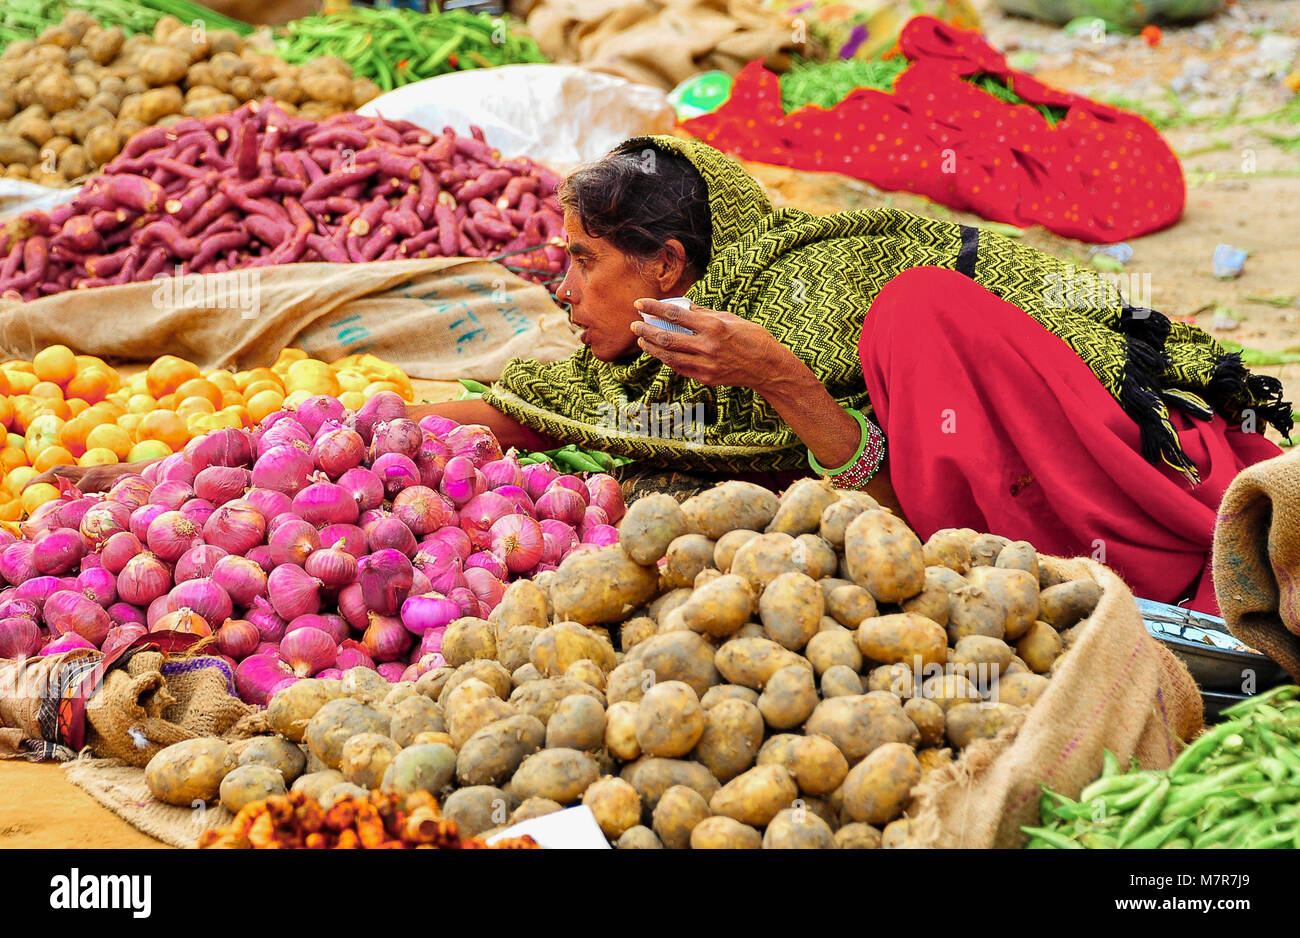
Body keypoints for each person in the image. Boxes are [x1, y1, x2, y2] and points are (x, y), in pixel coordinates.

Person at [44, 136, 1290, 612]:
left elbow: (899, 505)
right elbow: (561, 406)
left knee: (919, 319)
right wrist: (282, 440)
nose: (558, 286)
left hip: (1121, 464)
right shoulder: (667, 352)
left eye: (581, 261)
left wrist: (793, 387)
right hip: (956, 440)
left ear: (669, 265)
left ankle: (1181, 561)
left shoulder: (827, 290)